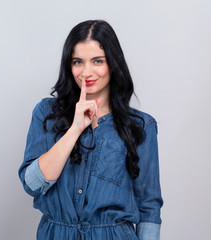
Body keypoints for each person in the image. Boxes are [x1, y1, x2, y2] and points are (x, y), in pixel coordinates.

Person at [18, 20, 163, 240]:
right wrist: (75, 129)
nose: (86, 72)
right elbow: (32, 184)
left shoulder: (141, 127)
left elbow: (149, 208)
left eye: (97, 61)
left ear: (112, 64)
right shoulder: (46, 113)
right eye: (78, 62)